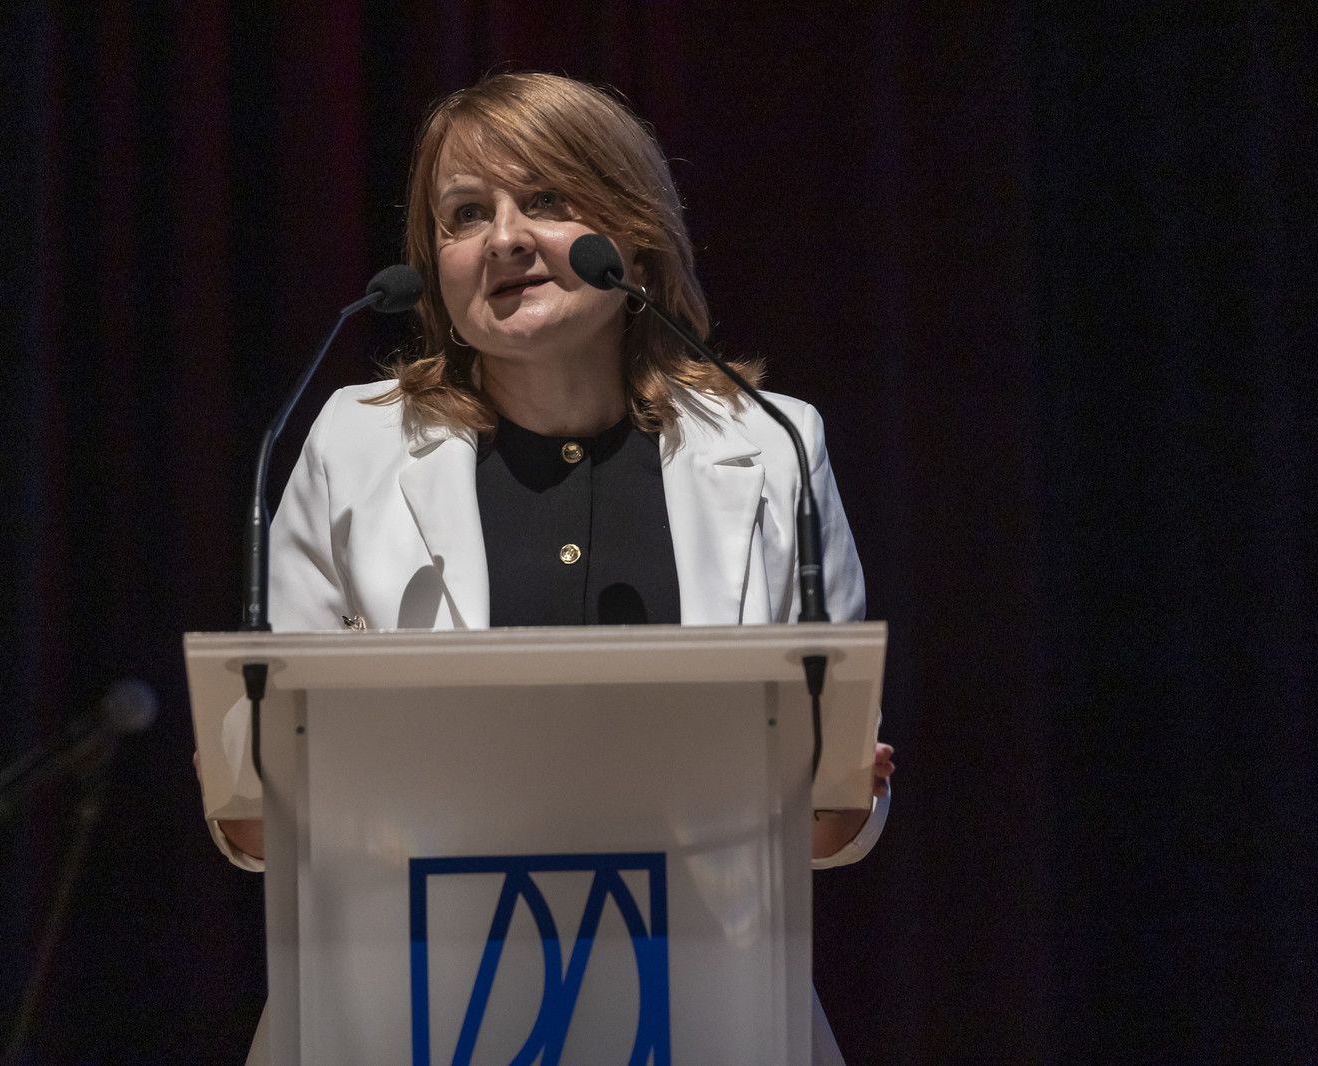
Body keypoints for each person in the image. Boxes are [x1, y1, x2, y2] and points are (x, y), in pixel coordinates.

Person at [204, 71, 894, 1066]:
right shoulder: (351, 446)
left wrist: (840, 790)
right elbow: (267, 804)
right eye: (464, 214)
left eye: (546, 199)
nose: (504, 239)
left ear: (634, 236)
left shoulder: (773, 445)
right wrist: (252, 780)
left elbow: (828, 804)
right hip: (411, 1009)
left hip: (700, 1008)